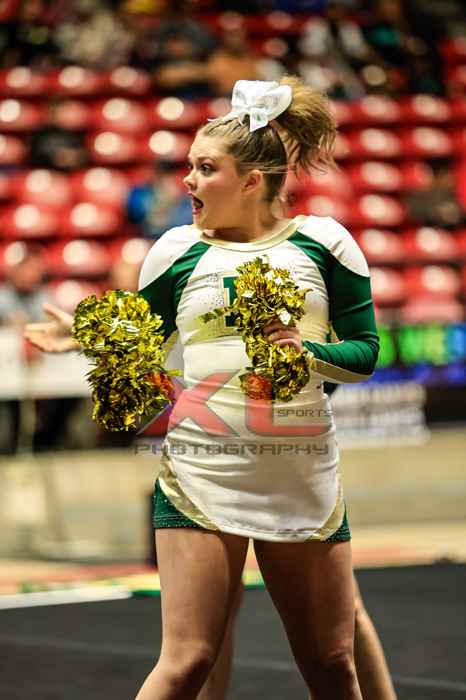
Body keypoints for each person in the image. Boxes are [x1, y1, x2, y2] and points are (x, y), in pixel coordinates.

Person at [25, 76, 381, 699]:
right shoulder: (175, 250)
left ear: (251, 181)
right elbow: (142, 336)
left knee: (332, 663)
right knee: (187, 659)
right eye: (190, 165)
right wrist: (84, 334)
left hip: (300, 473)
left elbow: (365, 352)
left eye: (206, 168)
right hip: (201, 471)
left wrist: (308, 354)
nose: (187, 180)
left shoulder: (325, 243)